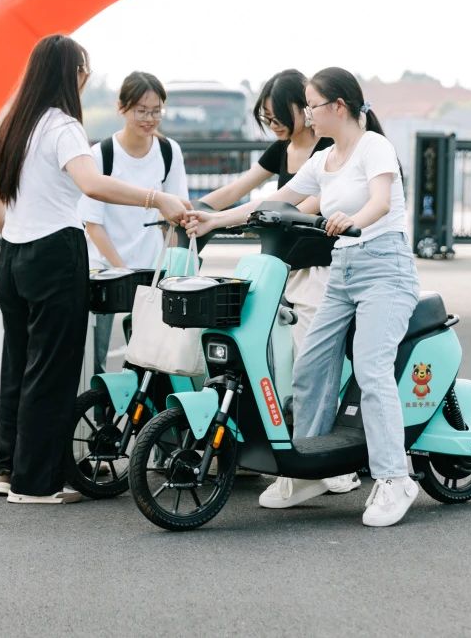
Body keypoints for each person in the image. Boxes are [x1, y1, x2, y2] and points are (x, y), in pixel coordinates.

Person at [186, 67, 420, 528]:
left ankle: (395, 477)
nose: (308, 114)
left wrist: (351, 220)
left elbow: (380, 201)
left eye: (313, 106)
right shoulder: (324, 159)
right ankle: (310, 473)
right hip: (344, 270)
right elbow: (274, 202)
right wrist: (214, 220)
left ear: (338, 106)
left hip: (385, 269)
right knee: (311, 366)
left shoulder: (374, 146)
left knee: (371, 367)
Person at [0, 34, 190, 505]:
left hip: (13, 255)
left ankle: (10, 470)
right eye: (83, 68)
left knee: (19, 365)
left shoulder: (12, 123)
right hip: (55, 252)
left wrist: (14, 230)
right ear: (69, 74)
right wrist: (157, 198)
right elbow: (91, 184)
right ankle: (36, 485)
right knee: (51, 371)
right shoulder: (63, 126)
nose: (86, 77)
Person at [198, 69, 357, 494]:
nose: (273, 124)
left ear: (305, 108)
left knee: (312, 363)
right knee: (274, 359)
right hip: (283, 269)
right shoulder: (281, 150)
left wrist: (242, 218)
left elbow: (301, 205)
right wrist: (197, 211)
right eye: (266, 117)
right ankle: (288, 444)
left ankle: (330, 459)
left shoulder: (327, 149)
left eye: (278, 115)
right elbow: (241, 190)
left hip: (320, 270)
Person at [79, 71, 189, 374]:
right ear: (122, 108)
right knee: (95, 356)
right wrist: (121, 271)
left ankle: (141, 402)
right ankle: (99, 401)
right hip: (104, 268)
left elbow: (174, 217)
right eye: (141, 110)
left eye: (156, 111)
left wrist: (173, 266)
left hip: (151, 269)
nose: (149, 119)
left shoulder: (168, 151)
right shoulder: (101, 154)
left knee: (151, 356)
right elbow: (92, 223)